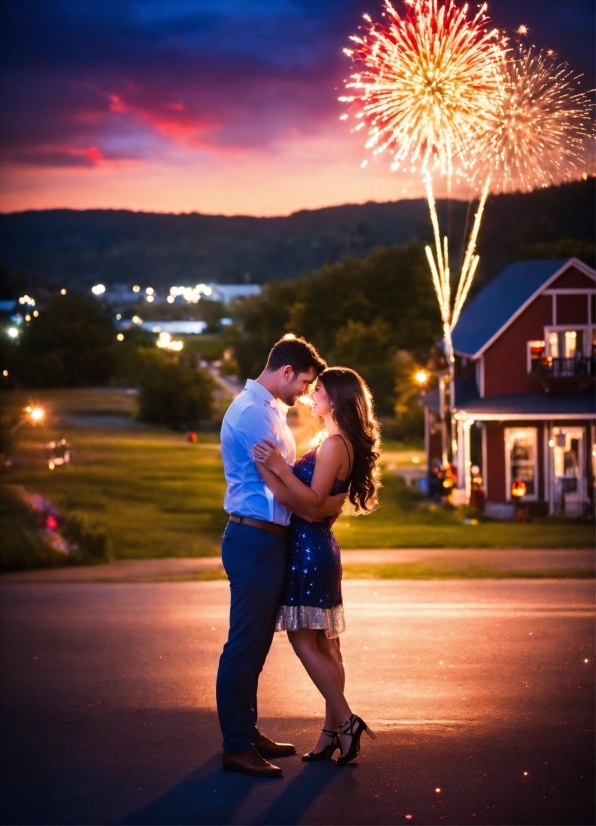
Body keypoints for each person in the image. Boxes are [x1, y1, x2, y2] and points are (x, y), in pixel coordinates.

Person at [217, 336, 346, 777]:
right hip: (253, 539)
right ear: (287, 371)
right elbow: (282, 485)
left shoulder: (270, 409)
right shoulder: (253, 414)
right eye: (305, 382)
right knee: (243, 646)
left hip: (270, 539)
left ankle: (246, 731)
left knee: (254, 648)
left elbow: (287, 480)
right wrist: (322, 506)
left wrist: (321, 503)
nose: (307, 393)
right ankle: (236, 746)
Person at [252, 366, 381, 765]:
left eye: (319, 389)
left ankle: (345, 720)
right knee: (327, 645)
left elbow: (308, 505)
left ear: (337, 398)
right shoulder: (335, 442)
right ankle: (330, 733)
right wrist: (321, 506)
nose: (311, 394)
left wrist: (272, 468)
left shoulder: (333, 445)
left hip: (310, 550)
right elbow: (321, 504)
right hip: (317, 545)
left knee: (303, 639)